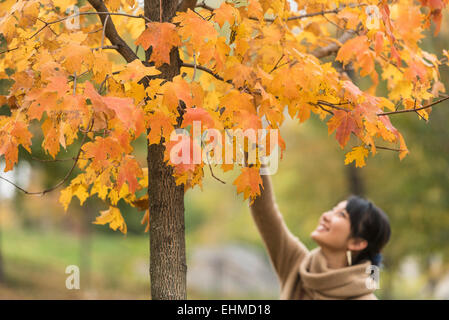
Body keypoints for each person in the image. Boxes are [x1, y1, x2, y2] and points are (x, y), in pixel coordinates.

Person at [249, 172, 391, 300]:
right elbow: (264, 210)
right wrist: (254, 154)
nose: (326, 216)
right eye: (332, 210)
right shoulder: (296, 264)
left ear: (357, 243)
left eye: (341, 215)